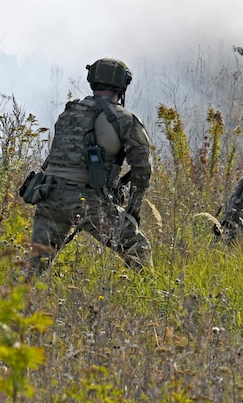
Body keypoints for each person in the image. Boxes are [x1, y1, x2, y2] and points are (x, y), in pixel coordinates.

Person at [27, 58, 153, 272]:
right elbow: (142, 171)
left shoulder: (68, 113)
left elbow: (54, 160)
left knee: (34, 267)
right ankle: (153, 302)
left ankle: (12, 302)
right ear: (122, 86)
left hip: (48, 196)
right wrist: (133, 211)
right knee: (137, 249)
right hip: (88, 203)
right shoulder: (124, 119)